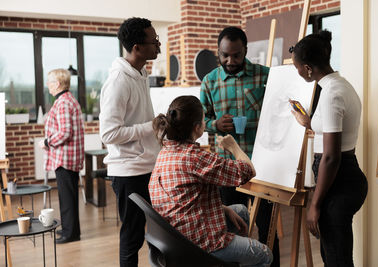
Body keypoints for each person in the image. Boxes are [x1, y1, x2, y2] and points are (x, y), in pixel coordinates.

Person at [150, 95, 273, 267]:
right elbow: (247, 170)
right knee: (264, 254)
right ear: (198, 127)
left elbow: (182, 197)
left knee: (241, 212)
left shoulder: (165, 151)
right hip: (196, 243)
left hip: (174, 233)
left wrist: (222, 208)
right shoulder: (195, 157)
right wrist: (233, 146)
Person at [200, 26, 280, 266]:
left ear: (246, 50)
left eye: (236, 55)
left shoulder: (266, 76)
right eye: (225, 55)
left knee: (267, 224)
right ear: (218, 52)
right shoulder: (209, 81)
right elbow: (199, 122)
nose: (230, 60)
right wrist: (214, 123)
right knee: (230, 226)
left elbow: (279, 114)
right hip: (225, 166)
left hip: (262, 165)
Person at [289, 30, 368, 267]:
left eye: (298, 67)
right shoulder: (339, 85)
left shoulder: (332, 94)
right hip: (342, 177)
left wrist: (315, 205)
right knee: (335, 255)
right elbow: (333, 130)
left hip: (338, 179)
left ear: (308, 68)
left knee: (336, 259)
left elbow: (331, 157)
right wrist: (309, 122)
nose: (298, 72)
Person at [99, 17, 161, 267]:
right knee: (133, 236)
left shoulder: (141, 73)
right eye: (154, 41)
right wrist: (150, 127)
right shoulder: (118, 82)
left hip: (148, 166)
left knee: (159, 232)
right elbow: (109, 134)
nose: (158, 45)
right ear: (137, 47)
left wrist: (156, 127)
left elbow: (139, 119)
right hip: (128, 172)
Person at [40, 68, 84, 244]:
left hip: (65, 158)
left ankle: (70, 233)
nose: (47, 85)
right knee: (67, 197)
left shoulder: (64, 102)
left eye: (49, 82)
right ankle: (69, 229)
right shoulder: (65, 100)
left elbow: (65, 132)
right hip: (65, 158)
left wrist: (46, 142)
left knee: (67, 197)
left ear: (57, 84)